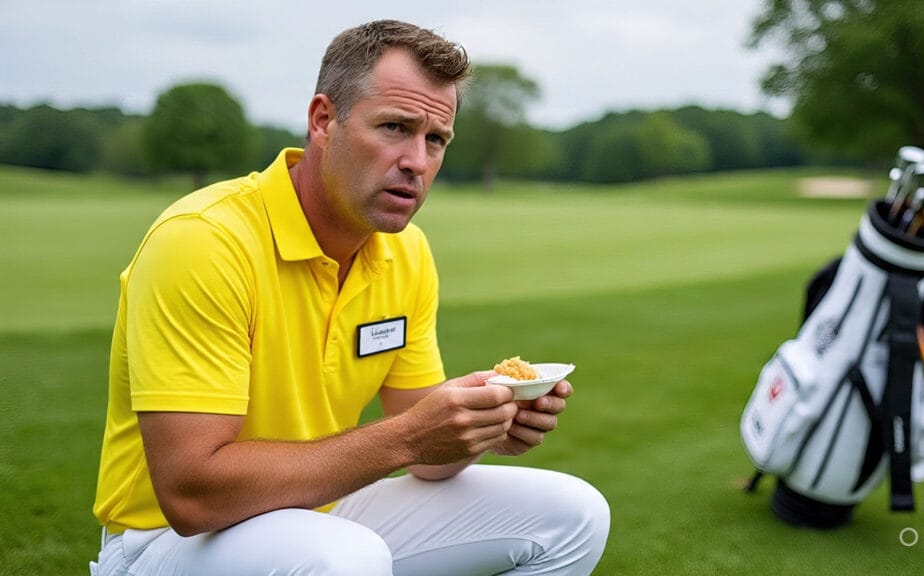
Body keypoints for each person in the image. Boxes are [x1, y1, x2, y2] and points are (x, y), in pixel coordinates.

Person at [90, 19, 609, 576]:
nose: (417, 160)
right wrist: (408, 436)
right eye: (393, 127)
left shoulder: (405, 251)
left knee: (574, 513)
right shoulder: (203, 241)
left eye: (435, 139)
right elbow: (195, 496)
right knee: (346, 558)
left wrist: (478, 428)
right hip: (164, 541)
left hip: (320, 510)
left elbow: (424, 455)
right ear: (323, 121)